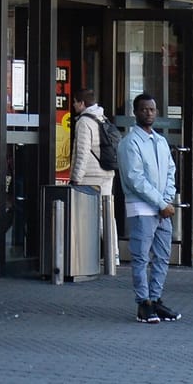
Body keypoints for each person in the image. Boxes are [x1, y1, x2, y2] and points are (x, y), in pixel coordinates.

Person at [118, 92, 180, 324]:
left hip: (162, 208)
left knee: (163, 256)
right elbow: (135, 179)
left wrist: (166, 199)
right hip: (142, 207)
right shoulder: (129, 143)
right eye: (144, 109)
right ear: (135, 112)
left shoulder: (161, 141)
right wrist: (162, 203)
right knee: (141, 257)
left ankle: (155, 299)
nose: (149, 113)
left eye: (152, 109)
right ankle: (143, 303)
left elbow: (170, 171)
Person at [69, 87, 120, 275]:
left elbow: (82, 152)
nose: (73, 105)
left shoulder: (84, 122)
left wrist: (75, 178)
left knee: (91, 217)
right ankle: (113, 253)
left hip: (90, 176)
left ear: (82, 103)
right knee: (106, 214)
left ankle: (89, 256)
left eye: (75, 101)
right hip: (107, 172)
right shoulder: (102, 117)